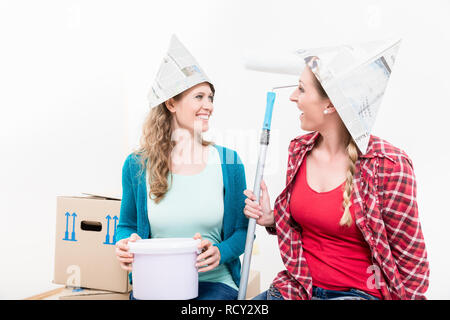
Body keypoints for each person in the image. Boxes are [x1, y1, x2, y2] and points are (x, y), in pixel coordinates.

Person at [244, 41, 429, 300]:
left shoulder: (389, 165)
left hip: (358, 294)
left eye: (301, 89)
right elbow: (313, 223)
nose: (292, 97)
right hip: (298, 289)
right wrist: (273, 218)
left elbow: (412, 262)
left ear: (330, 104)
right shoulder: (299, 151)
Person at [114, 35, 248, 300]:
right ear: (171, 103)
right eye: (199, 97)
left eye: (210, 97)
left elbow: (244, 232)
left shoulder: (228, 163)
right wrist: (125, 242)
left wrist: (221, 251)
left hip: (214, 284)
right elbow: (127, 224)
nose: (208, 106)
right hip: (154, 283)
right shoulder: (137, 165)